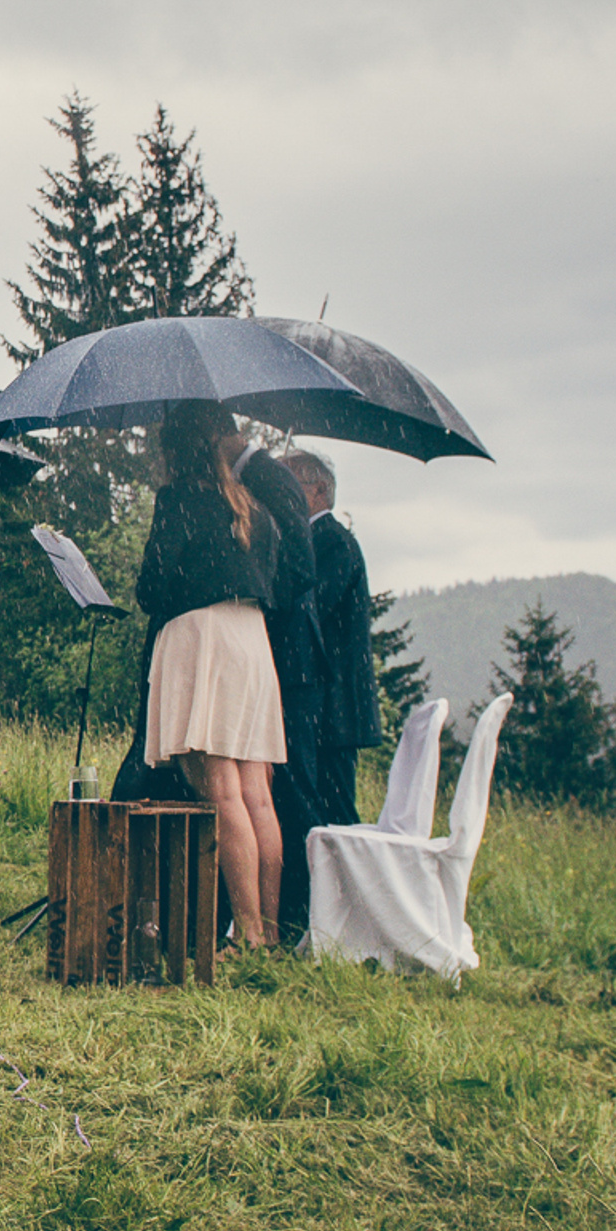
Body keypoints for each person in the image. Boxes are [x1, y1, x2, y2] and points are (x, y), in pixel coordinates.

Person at [135, 402, 285, 951]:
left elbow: (152, 585)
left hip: (204, 639)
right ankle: (267, 931)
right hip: (252, 638)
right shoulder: (254, 507)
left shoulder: (178, 499)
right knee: (257, 795)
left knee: (221, 790)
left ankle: (245, 932)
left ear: (173, 450)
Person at [239, 441, 322, 944]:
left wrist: (258, 590)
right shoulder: (263, 476)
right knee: (270, 793)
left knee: (288, 794)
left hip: (287, 660)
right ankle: (277, 921)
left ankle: (294, 915)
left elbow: (301, 567)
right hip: (273, 657)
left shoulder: (268, 478)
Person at [284, 449, 382, 828]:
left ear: (318, 489)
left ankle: (343, 888)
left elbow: (310, 609)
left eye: (289, 486)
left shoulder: (333, 542)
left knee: (335, 813)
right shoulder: (317, 541)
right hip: (324, 705)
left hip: (335, 707)